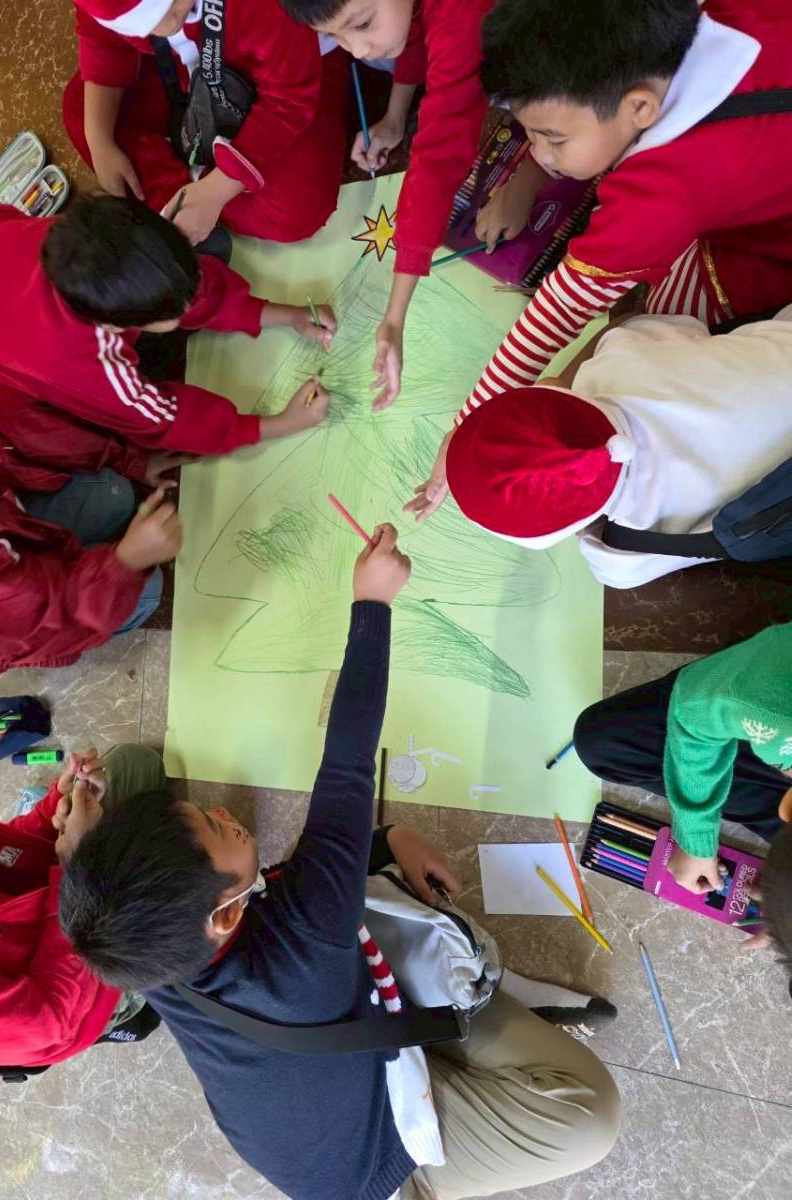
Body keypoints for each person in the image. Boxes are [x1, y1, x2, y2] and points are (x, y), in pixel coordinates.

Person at [61, 525, 620, 1200]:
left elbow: (89, 873)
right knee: (588, 1116)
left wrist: (85, 825)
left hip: (300, 1093)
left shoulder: (138, 943)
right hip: (369, 1164)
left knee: (341, 900)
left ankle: (435, 1002)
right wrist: (372, 603)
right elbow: (348, 763)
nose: (228, 814)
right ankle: (467, 1004)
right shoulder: (306, 932)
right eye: (217, 829)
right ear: (224, 914)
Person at [411, 0, 792, 520]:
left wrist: (469, 425)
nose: (540, 154)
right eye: (530, 133)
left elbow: (562, 307)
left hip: (769, 256)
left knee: (655, 322)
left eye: (554, 138)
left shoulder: (662, 192)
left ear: (640, 108)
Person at [0, 195, 331, 465]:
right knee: (60, 426)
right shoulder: (78, 360)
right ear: (113, 326)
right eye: (171, 314)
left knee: (208, 252)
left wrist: (282, 314)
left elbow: (181, 283)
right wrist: (278, 424)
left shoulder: (86, 237)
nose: (188, 303)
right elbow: (159, 419)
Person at [443, 305, 792, 587]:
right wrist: (563, 380)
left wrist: (579, 513)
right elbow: (631, 321)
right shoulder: (619, 358)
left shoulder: (623, 549)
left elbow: (612, 570)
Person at [0, 744, 165, 1074]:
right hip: (80, 980)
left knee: (134, 765)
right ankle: (127, 1009)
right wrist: (76, 866)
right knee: (176, 887)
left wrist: (53, 812)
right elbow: (52, 1019)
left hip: (51, 901)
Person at [0, 370, 181, 682]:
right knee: (146, 591)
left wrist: (129, 459)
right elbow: (58, 615)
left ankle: (67, 563)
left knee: (113, 493)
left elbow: (19, 434)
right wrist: (127, 562)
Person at [280, 0, 492, 410]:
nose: (357, 50)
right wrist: (395, 119)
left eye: (362, 24)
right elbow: (416, 25)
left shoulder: (463, 16)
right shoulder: (409, 17)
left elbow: (440, 153)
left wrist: (394, 317)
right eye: (335, 36)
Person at [64, 0, 349, 245]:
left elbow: (289, 103)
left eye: (169, 9)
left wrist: (217, 190)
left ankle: (187, 202)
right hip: (192, 75)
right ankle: (184, 207)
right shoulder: (145, 19)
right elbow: (102, 38)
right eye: (138, 25)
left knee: (297, 209)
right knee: (82, 111)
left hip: (296, 74)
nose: (165, 27)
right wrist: (99, 140)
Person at [574, 622, 792, 926]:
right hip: (746, 698)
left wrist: (784, 910)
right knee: (601, 740)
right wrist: (695, 836)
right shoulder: (774, 702)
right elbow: (694, 706)